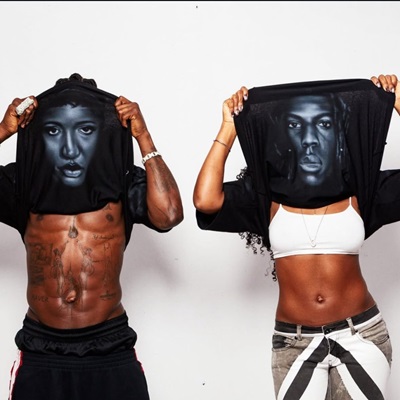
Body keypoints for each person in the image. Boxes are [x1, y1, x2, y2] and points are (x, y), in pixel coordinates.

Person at [193, 74, 400, 399]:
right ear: (281, 136)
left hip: (360, 334)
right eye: (294, 125)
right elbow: (205, 200)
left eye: (324, 124)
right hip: (295, 343)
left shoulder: (361, 189)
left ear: (339, 134)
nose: (310, 138)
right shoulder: (264, 195)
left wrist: (397, 103)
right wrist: (229, 128)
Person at [0, 73, 184, 400]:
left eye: (85, 130)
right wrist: (3, 130)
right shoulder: (25, 183)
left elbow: (169, 214)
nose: (70, 147)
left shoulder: (123, 181)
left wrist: (143, 136)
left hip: (109, 344)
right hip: (42, 348)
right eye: (55, 130)